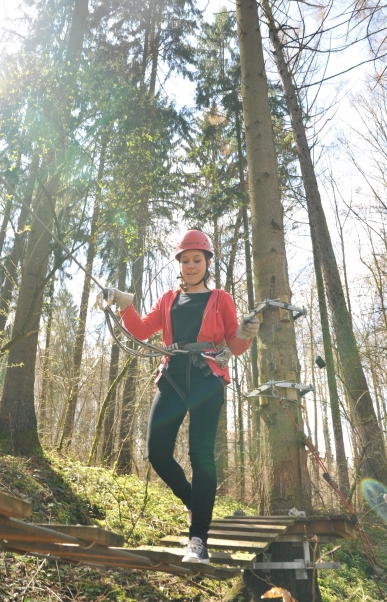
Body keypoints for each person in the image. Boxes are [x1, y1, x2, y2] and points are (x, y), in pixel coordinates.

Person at [106, 230, 259, 564]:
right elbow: (143, 331)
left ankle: (198, 541)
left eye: (197, 260)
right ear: (179, 264)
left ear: (207, 263)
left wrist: (246, 333)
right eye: (185, 260)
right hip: (172, 376)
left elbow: (234, 345)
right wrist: (126, 306)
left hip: (207, 378)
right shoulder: (167, 299)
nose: (191, 266)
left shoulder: (221, 299)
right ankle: (195, 501)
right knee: (156, 451)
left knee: (200, 453)